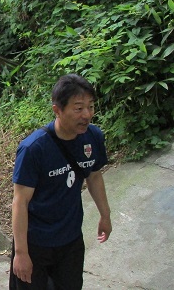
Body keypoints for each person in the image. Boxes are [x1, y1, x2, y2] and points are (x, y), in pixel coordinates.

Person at [10, 74, 112, 289]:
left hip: (70, 240)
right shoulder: (33, 149)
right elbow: (20, 202)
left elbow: (93, 175)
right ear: (57, 110)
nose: (86, 115)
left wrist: (105, 215)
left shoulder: (93, 137)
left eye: (90, 107)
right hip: (35, 242)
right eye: (78, 108)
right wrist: (20, 253)